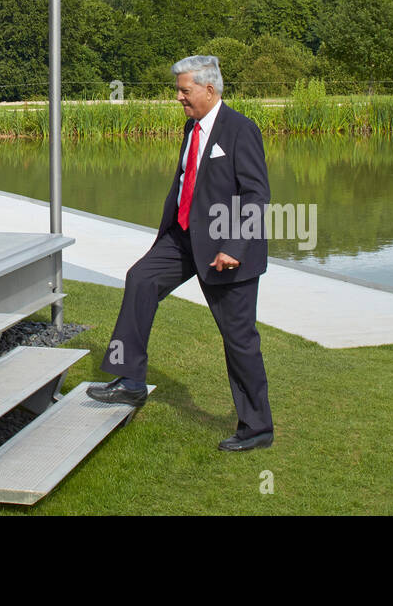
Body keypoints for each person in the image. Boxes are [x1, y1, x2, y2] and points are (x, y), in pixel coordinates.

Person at [88, 55, 274, 451]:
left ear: (210, 90)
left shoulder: (241, 130)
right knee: (141, 279)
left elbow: (257, 196)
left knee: (239, 340)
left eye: (184, 90)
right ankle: (131, 380)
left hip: (226, 250)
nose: (178, 97)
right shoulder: (191, 127)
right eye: (178, 90)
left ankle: (257, 429)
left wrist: (233, 247)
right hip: (184, 239)